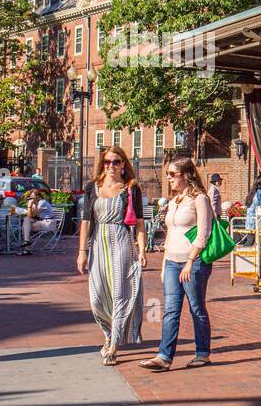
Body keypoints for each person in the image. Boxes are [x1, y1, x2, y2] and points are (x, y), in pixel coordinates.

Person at [141, 156, 215, 371]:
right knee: (171, 310)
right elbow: (171, 234)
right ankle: (164, 357)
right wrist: (165, 264)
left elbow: (204, 233)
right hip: (172, 261)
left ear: (186, 175)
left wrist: (190, 262)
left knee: (196, 307)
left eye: (172, 174)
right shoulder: (174, 201)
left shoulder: (200, 199)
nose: (169, 178)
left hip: (194, 262)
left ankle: (202, 353)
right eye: (167, 174)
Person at [77, 146, 147, 365]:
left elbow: (140, 223)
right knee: (97, 295)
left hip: (121, 242)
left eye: (116, 162)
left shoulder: (130, 188)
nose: (111, 166)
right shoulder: (92, 187)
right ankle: (107, 335)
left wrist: (142, 249)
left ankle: (114, 345)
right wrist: (82, 252)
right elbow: (86, 221)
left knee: (120, 293)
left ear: (124, 164)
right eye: (107, 162)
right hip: (98, 243)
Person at [16, 189, 58, 255]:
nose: (30, 198)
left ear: (38, 197)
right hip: (41, 221)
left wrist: (29, 206)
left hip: (48, 223)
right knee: (26, 220)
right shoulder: (36, 203)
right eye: (30, 197)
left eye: (32, 197)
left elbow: (31, 215)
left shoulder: (42, 202)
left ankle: (27, 248)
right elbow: (30, 216)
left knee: (25, 226)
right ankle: (26, 242)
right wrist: (32, 205)